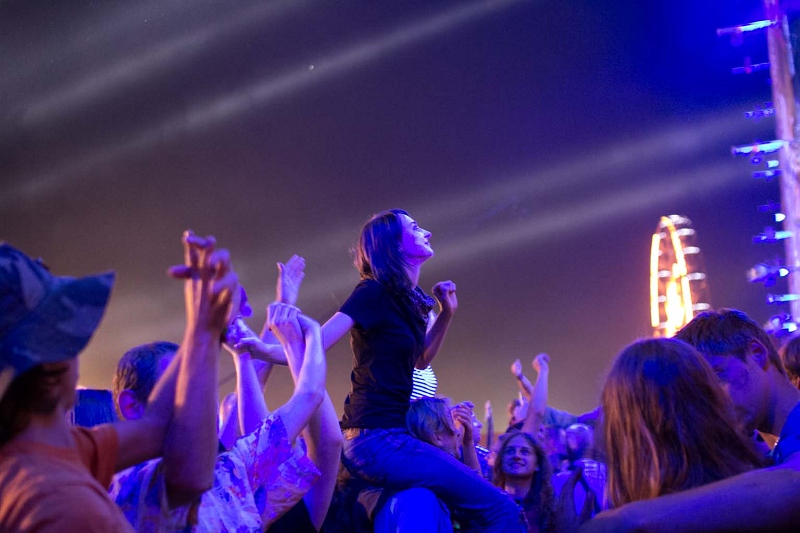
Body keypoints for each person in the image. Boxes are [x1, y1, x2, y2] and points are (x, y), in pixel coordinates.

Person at [0, 233, 235, 532]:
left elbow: (159, 426)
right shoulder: (65, 506)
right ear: (51, 365)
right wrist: (205, 334)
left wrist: (203, 329)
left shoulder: (37, 458)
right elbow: (190, 479)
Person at [322, 209, 524, 532]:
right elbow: (318, 342)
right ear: (394, 246)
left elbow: (421, 359)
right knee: (502, 509)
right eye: (415, 228)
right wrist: (263, 351)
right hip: (374, 438)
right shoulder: (373, 291)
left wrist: (447, 313)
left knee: (484, 506)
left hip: (393, 436)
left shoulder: (409, 301)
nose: (426, 232)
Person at [112, 260, 340, 532]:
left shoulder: (224, 474)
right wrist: (304, 334)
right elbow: (308, 400)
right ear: (132, 406)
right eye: (181, 389)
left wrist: (281, 313)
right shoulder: (117, 493)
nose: (199, 399)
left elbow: (299, 404)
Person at [574, 310, 800, 532]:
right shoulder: (775, 451)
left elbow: (794, 481)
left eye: (718, 375)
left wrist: (629, 520)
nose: (715, 398)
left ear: (756, 352)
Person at [493, 430, 556, 533]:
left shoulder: (549, 508)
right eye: (510, 451)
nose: (516, 456)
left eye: (524, 452)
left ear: (537, 464)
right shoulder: (491, 501)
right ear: (501, 461)